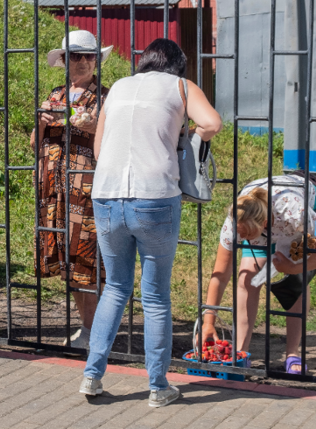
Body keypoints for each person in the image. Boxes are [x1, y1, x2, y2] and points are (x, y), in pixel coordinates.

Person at [80, 39, 222, 406]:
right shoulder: (180, 86)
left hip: (107, 195)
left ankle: (92, 377)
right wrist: (187, 138)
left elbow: (98, 150)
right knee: (155, 296)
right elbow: (212, 123)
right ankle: (158, 387)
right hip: (155, 196)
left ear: (143, 62)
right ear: (179, 65)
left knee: (115, 286)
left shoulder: (121, 88)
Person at [30, 30, 113, 349]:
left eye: (87, 56)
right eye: (74, 56)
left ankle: (97, 331)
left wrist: (95, 128)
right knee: (70, 262)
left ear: (96, 60)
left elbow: (117, 147)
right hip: (57, 193)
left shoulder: (106, 99)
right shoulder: (55, 95)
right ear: (63, 61)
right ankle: (90, 328)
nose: (81, 62)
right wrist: (41, 121)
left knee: (90, 263)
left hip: (89, 192)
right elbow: (37, 145)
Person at [202, 174, 316, 374]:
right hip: (263, 214)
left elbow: (313, 257)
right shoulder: (235, 222)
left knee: (296, 282)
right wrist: (208, 321)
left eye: (245, 235)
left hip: (296, 205)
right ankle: (241, 352)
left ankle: (293, 353)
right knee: (247, 279)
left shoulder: (295, 215)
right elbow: (220, 273)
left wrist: (292, 268)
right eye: (240, 234)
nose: (241, 238)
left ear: (264, 224)